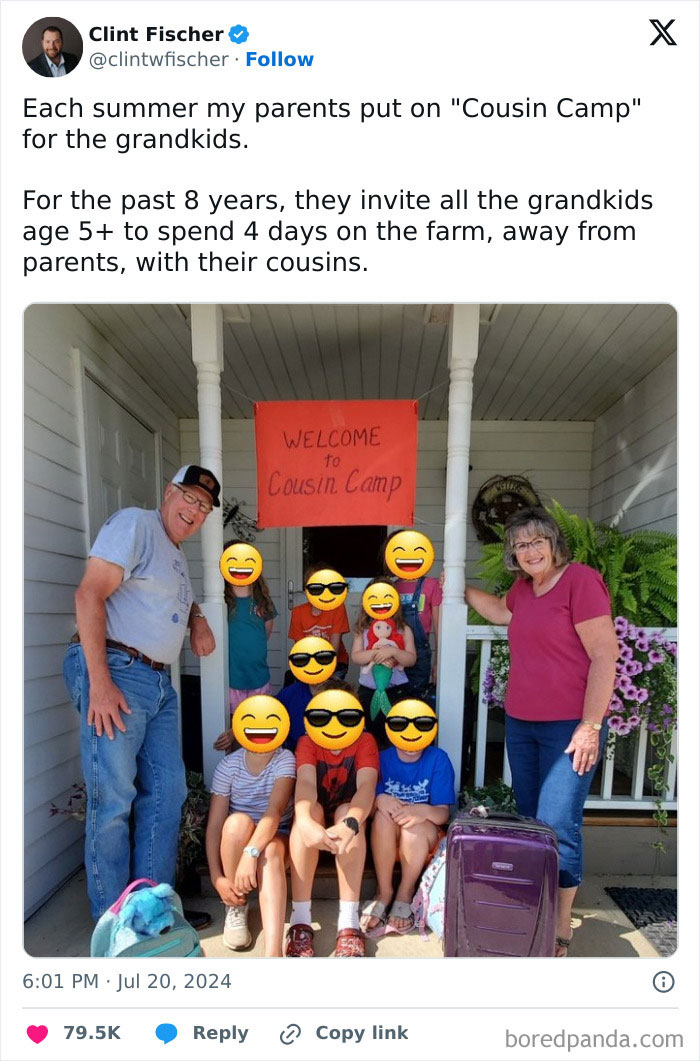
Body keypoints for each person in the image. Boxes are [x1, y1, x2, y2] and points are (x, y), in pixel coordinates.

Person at [62, 465, 219, 921]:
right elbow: (89, 595)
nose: (194, 510)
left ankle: (151, 912)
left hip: (156, 683)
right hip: (116, 669)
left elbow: (174, 594)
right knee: (113, 800)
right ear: (169, 492)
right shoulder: (137, 525)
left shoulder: (174, 552)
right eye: (189, 497)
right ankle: (114, 925)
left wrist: (198, 619)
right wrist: (100, 683)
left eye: (204, 507)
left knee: (168, 792)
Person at [465, 506, 618, 956]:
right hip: (521, 723)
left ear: (553, 542)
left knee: (558, 825)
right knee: (533, 822)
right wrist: (457, 589)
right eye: (520, 545)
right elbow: (499, 612)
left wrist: (590, 726)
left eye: (536, 541)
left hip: (569, 728)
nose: (529, 551)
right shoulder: (524, 589)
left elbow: (605, 656)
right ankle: (537, 906)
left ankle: (559, 925)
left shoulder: (580, 581)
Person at [285, 682, 379, 957]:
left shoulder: (364, 740)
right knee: (308, 811)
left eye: (347, 715)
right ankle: (300, 920)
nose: (336, 723)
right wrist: (303, 822)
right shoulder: (308, 741)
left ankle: (348, 923)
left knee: (347, 813)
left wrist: (351, 824)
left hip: (349, 811)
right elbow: (304, 782)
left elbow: (366, 787)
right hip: (318, 807)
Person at [205, 700, 296, 956]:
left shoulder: (285, 759)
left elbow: (274, 813)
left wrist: (251, 853)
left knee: (272, 853)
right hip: (240, 839)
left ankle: (273, 951)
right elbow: (214, 827)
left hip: (276, 835)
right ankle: (235, 905)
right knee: (236, 823)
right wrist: (216, 877)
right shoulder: (228, 766)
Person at [361, 702, 455, 937]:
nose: (411, 744)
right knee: (383, 817)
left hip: (423, 841)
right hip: (388, 841)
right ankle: (384, 892)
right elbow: (369, 807)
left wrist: (420, 811)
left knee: (413, 826)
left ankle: (405, 891)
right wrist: (378, 800)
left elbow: (443, 813)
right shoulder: (381, 759)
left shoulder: (438, 759)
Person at [214, 540, 277, 753]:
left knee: (258, 728)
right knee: (233, 734)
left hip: (258, 677)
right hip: (232, 679)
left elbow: (266, 632)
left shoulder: (262, 601)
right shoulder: (221, 601)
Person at [351, 580, 417, 747]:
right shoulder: (362, 629)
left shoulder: (403, 629)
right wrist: (375, 653)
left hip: (397, 690)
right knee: (372, 734)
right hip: (369, 691)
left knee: (396, 733)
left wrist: (393, 651)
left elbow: (411, 659)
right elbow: (356, 657)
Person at [382, 529, 443, 693]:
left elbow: (439, 629)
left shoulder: (431, 585)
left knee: (413, 701)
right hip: (391, 654)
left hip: (420, 656)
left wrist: (438, 663)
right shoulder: (390, 588)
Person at [288, 564, 350, 680]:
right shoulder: (298, 612)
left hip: (335, 662)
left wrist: (324, 671)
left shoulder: (338, 608)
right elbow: (300, 647)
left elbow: (334, 645)